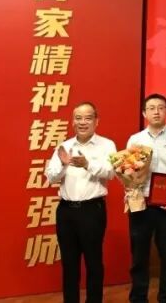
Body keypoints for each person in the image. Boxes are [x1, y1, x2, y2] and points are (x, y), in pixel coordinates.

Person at [45, 102, 116, 303]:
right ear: (72, 121)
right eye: (78, 118)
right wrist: (63, 165)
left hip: (92, 210)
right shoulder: (64, 146)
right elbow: (50, 177)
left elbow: (111, 172)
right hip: (66, 211)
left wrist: (87, 164)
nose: (82, 122)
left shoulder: (106, 145)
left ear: (96, 121)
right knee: (69, 264)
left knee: (93, 262)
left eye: (87, 118)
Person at [126, 93, 166, 303]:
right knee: (139, 256)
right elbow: (127, 168)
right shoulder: (135, 140)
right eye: (151, 108)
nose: (156, 112)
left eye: (161, 108)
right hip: (141, 204)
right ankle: (138, 298)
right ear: (144, 113)